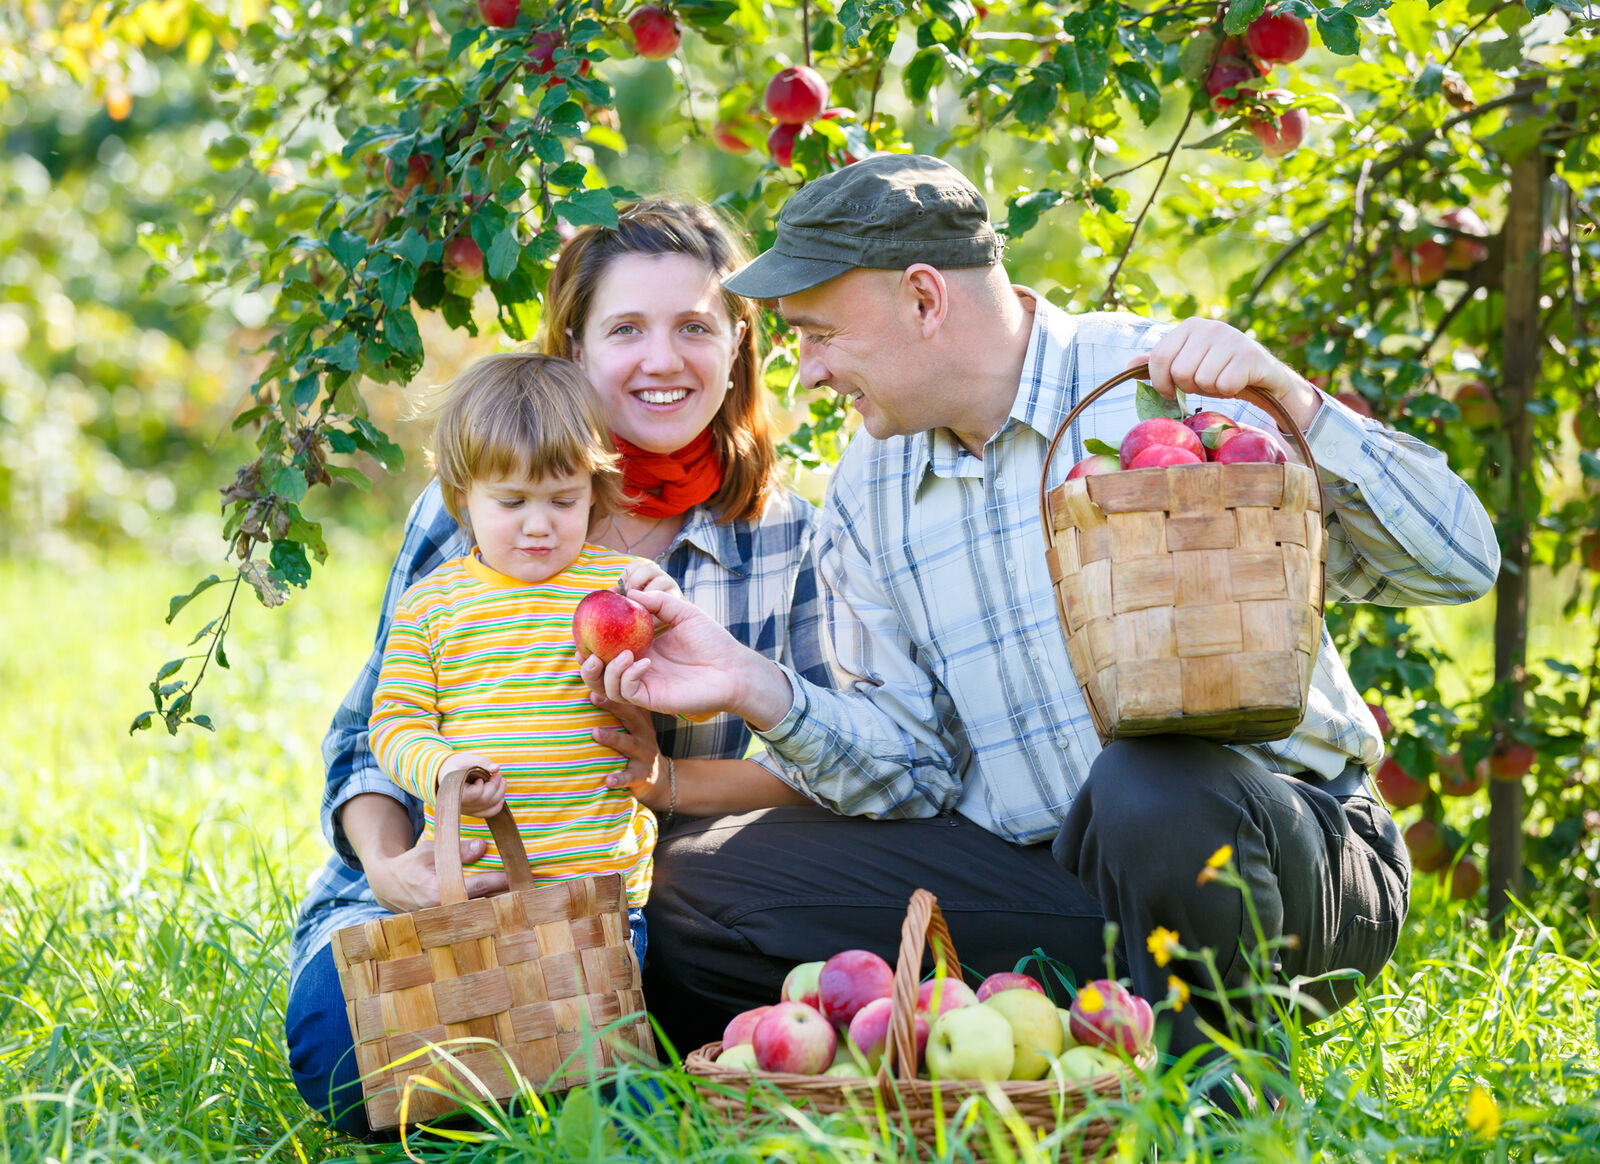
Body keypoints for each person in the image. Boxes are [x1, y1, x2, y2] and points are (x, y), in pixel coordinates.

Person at [579, 155, 1500, 1073]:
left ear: (925, 299)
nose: (810, 373)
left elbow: (1460, 562)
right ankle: (1051, 1040)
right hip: (1054, 876)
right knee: (698, 889)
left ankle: (1211, 1100)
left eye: (818, 335)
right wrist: (755, 686)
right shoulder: (873, 484)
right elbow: (913, 771)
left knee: (1150, 785)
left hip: (1276, 864)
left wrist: (1291, 399)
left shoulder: (1157, 385)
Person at [284, 199, 831, 1136]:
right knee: (345, 1057)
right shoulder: (480, 510)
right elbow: (371, 731)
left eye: (695, 327)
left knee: (626, 1041)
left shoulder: (781, 536)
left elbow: (824, 765)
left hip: (634, 900)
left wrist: (664, 780)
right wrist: (390, 869)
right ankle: (535, 1072)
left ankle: (572, 1069)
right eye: (627, 329)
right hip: (450, 888)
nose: (663, 360)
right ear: (575, 345)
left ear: (739, 346)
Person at [369, 352, 681, 967]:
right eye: (512, 503)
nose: (538, 526)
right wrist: (444, 770)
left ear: (594, 493)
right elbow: (392, 724)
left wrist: (665, 626)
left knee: (593, 1052)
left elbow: (684, 702)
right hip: (473, 891)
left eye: (563, 501)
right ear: (463, 495)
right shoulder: (434, 604)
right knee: (484, 1046)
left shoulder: (617, 590)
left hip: (598, 892)